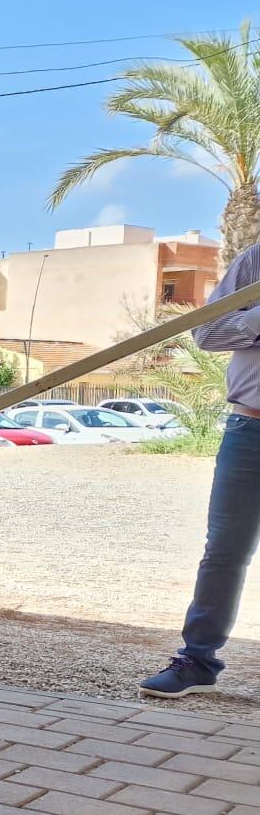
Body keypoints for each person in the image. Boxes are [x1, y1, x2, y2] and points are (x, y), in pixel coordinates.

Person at [141, 242, 260, 698]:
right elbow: (206, 334)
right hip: (251, 429)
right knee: (225, 550)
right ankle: (198, 660)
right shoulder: (255, 261)